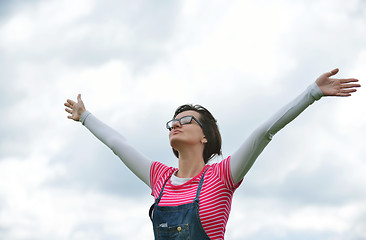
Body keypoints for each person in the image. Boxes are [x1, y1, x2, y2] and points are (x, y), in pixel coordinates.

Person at [64, 68, 360, 240]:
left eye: (186, 119)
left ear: (205, 136)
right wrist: (85, 116)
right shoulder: (161, 179)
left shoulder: (221, 176)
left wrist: (312, 92)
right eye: (173, 121)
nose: (176, 123)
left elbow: (264, 132)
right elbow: (119, 145)